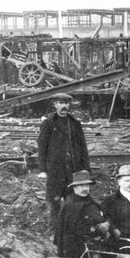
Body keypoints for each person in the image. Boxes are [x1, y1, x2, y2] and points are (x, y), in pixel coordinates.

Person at [37, 93, 90, 229]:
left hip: (73, 169)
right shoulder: (48, 123)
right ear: (55, 104)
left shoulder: (75, 124)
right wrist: (43, 170)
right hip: (55, 170)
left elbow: (83, 147)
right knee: (54, 201)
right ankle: (55, 229)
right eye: (61, 103)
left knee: (72, 200)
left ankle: (71, 228)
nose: (64, 106)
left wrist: (85, 168)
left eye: (66, 103)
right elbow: (42, 148)